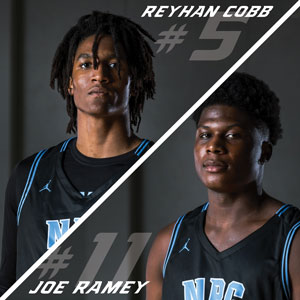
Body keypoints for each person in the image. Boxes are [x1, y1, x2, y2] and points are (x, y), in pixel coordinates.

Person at [0, 11, 155, 295]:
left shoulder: (161, 168)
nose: (99, 74)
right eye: (86, 64)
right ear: (69, 82)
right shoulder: (28, 178)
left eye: (113, 64)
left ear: (133, 81)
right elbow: (8, 285)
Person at [146, 72, 300, 300]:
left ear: (264, 152)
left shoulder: (292, 239)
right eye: (205, 135)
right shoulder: (168, 243)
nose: (214, 146)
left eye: (232, 135)